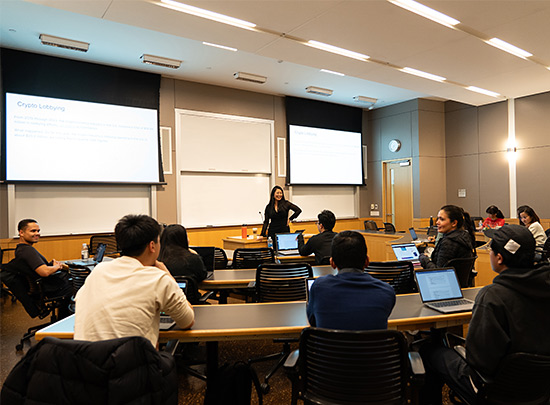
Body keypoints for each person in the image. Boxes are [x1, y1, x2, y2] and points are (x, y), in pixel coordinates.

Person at [419, 225, 550, 404]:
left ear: (499, 257)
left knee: (430, 351)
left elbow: (479, 360)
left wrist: (461, 349)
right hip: (540, 386)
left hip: (492, 387)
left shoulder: (493, 297)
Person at [74, 214, 194, 347]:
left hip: (86, 363)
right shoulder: (158, 278)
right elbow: (187, 321)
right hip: (133, 365)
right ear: (152, 246)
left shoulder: (97, 272)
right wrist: (169, 276)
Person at [306, 230, 396, 330]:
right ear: (367, 261)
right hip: (370, 345)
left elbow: (313, 322)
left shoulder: (319, 287)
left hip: (331, 345)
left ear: (332, 263)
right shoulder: (387, 291)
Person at [13, 219, 73, 319]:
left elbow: (37, 268)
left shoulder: (22, 249)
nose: (37, 234)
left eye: (38, 231)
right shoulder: (27, 251)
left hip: (45, 286)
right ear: (21, 232)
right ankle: (66, 321)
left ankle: (63, 319)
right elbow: (44, 272)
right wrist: (57, 266)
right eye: (33, 231)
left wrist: (51, 265)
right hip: (51, 288)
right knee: (82, 285)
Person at [158, 224, 208, 304]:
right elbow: (202, 275)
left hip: (164, 305)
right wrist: (194, 254)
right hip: (190, 303)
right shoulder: (193, 258)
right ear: (183, 239)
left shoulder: (157, 260)